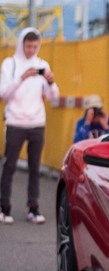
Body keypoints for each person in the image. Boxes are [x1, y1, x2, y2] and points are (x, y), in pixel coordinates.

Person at [0, 27, 59, 225]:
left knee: (35, 168)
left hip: (37, 123)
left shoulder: (42, 64)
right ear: (21, 44)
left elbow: (53, 97)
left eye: (34, 46)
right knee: (9, 166)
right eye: (28, 46)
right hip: (15, 122)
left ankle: (33, 208)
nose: (31, 50)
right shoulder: (10, 64)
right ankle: (4, 207)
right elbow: (3, 94)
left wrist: (50, 82)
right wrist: (22, 77)